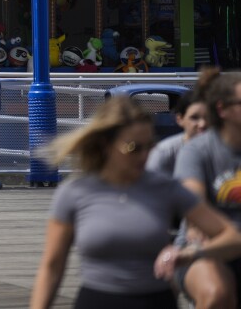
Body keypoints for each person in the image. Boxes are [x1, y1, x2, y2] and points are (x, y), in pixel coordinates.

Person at [31, 95, 241, 309]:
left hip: (154, 301)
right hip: (96, 301)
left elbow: (233, 237)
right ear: (106, 145)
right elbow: (52, 267)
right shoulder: (75, 192)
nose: (144, 155)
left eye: (149, 146)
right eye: (133, 148)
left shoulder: (165, 188)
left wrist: (190, 253)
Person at [175, 68, 241, 308]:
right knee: (217, 294)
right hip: (206, 247)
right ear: (222, 109)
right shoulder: (197, 151)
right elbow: (194, 207)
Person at [148, 87, 209, 177]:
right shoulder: (164, 153)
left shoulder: (222, 150)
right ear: (179, 119)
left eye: (207, 117)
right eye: (194, 118)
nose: (202, 124)